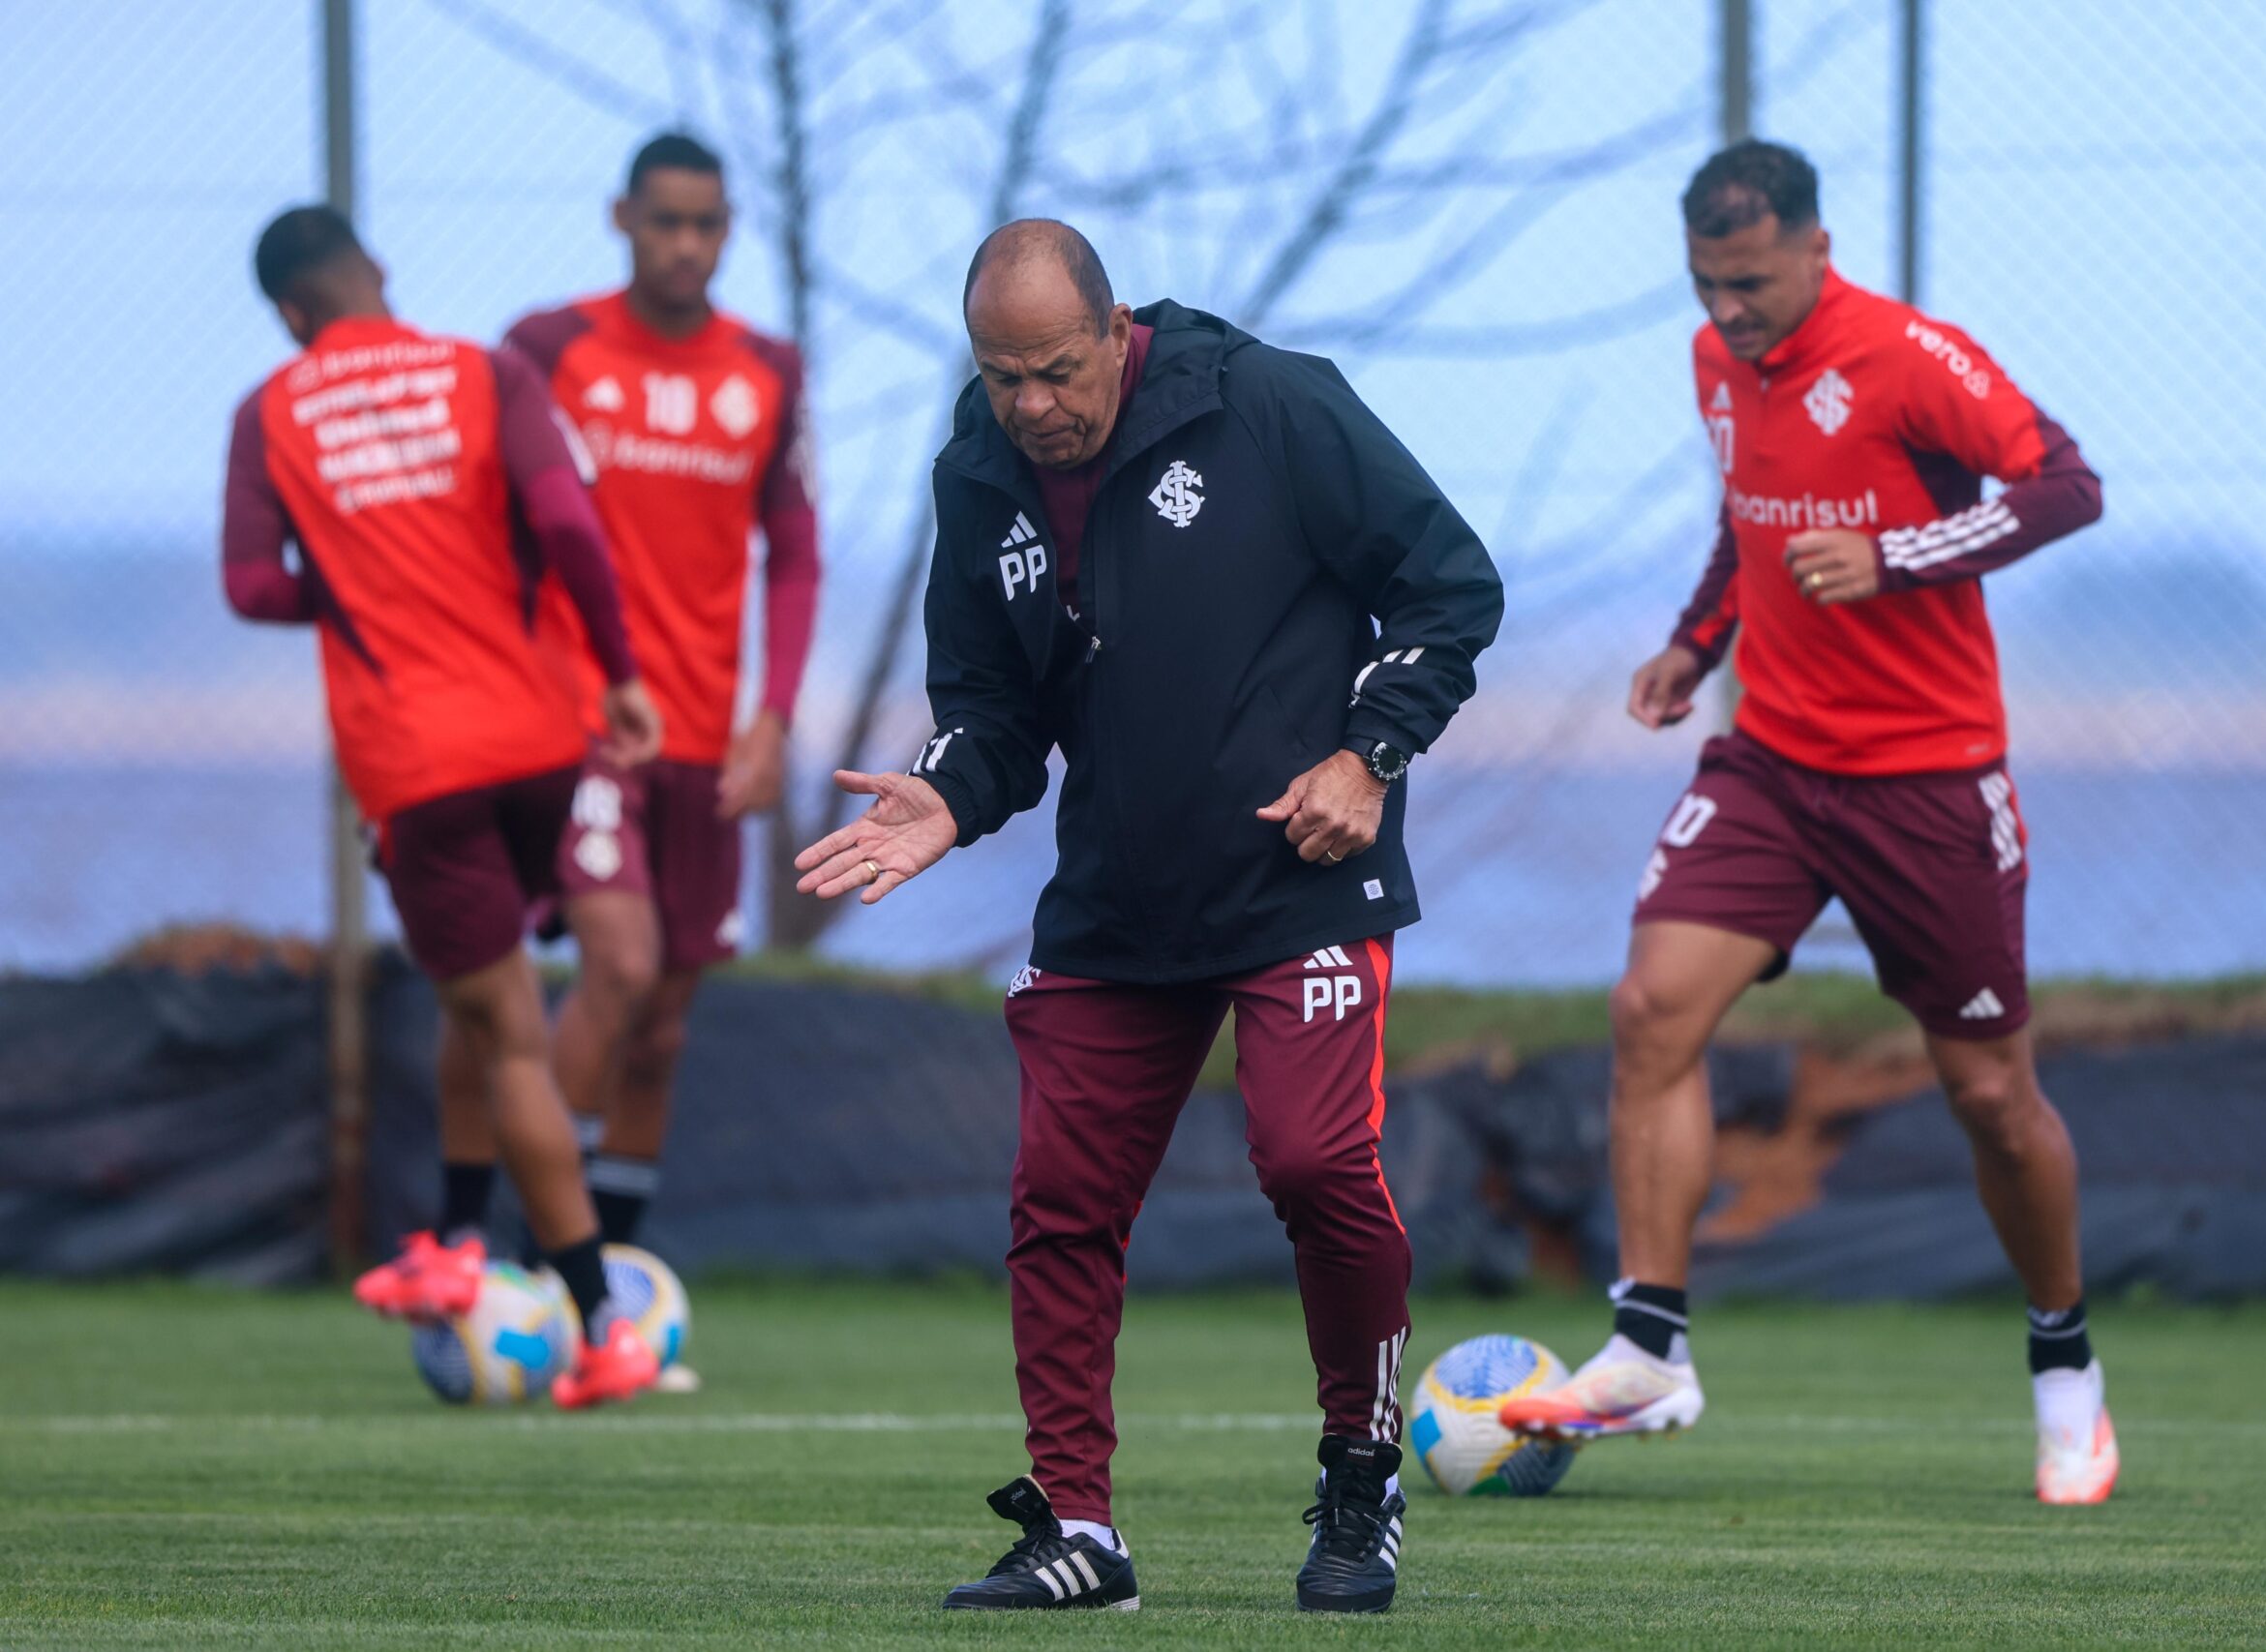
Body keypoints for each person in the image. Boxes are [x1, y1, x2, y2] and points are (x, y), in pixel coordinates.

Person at [794, 221, 1502, 1612]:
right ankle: (1078, 1526)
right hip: (1119, 897)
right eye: (1004, 377)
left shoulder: (1271, 404)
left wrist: (1369, 756)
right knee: (1057, 1201)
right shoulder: (977, 469)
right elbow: (994, 710)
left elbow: (1451, 587)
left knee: (1310, 1161)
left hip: (1299, 876)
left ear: (1116, 331)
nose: (1033, 406)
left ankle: (1361, 1464)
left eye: (1056, 370)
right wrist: (947, 792)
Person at [1500, 140, 2117, 1506]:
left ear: (1816, 250)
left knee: (1990, 1098)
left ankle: (2065, 1370)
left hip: (1930, 782)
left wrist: (1896, 556)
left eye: (1754, 283)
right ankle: (1649, 1343)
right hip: (1772, 765)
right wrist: (1689, 640)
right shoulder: (1717, 362)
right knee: (1651, 1005)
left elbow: (2068, 486)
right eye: (1709, 285)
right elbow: (1752, 518)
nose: (1731, 311)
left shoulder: (1908, 356)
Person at [222, 204, 663, 1409]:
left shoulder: (268, 414)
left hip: (417, 766)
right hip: (542, 734)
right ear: (378, 276)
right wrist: (619, 674)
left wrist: (352, 575)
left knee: (505, 1026)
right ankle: (462, 1240)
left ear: (290, 313)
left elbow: (252, 586)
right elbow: (567, 522)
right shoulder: (485, 372)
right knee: (517, 1000)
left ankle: (592, 1319)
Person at [503, 133, 821, 1307]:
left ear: (727, 229)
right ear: (621, 218)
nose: (687, 244)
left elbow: (793, 557)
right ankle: (542, 1265)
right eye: (665, 221)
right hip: (583, 723)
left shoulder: (768, 369)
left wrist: (772, 718)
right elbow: (494, 530)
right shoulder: (545, 350)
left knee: (667, 1019)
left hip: (706, 737)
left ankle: (615, 1276)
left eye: (708, 224)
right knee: (619, 966)